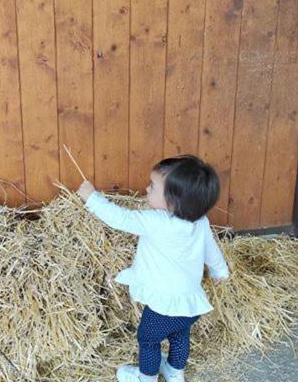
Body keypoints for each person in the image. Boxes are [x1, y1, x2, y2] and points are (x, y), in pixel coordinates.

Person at [77, 155, 229, 382]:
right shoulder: (200, 222)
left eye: (154, 186)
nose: (147, 188)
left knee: (148, 340)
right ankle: (174, 372)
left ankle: (145, 377)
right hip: (189, 304)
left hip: (163, 308)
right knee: (180, 336)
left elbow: (121, 218)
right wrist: (220, 272)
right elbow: (212, 251)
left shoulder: (156, 221)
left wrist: (92, 197)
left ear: (173, 201)